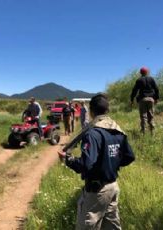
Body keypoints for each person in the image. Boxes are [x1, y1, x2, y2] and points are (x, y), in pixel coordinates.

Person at [58, 94, 135, 230]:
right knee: (111, 226)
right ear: (107, 110)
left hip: (97, 192)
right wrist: (111, 164)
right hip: (113, 187)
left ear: (92, 111)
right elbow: (129, 157)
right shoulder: (118, 130)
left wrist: (67, 159)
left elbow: (86, 164)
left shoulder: (93, 134)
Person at [130, 66, 160, 135]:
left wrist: (132, 99)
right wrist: (156, 98)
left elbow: (134, 91)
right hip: (151, 99)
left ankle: (143, 133)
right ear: (147, 72)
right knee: (151, 116)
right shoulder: (151, 79)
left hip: (142, 99)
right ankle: (152, 132)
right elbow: (156, 89)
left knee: (143, 116)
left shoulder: (139, 80)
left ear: (140, 73)